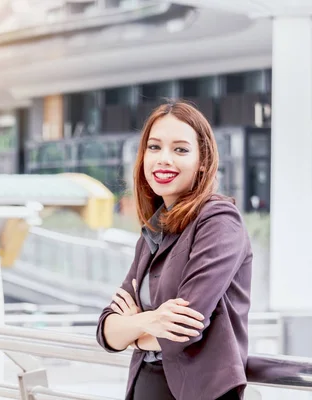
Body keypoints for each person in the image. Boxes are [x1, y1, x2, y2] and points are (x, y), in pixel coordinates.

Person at [96, 101, 252, 400]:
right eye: (154, 147)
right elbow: (106, 331)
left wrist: (132, 334)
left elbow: (184, 329)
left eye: (180, 150)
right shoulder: (154, 230)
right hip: (145, 388)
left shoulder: (219, 221)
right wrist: (147, 321)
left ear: (203, 160)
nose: (163, 159)